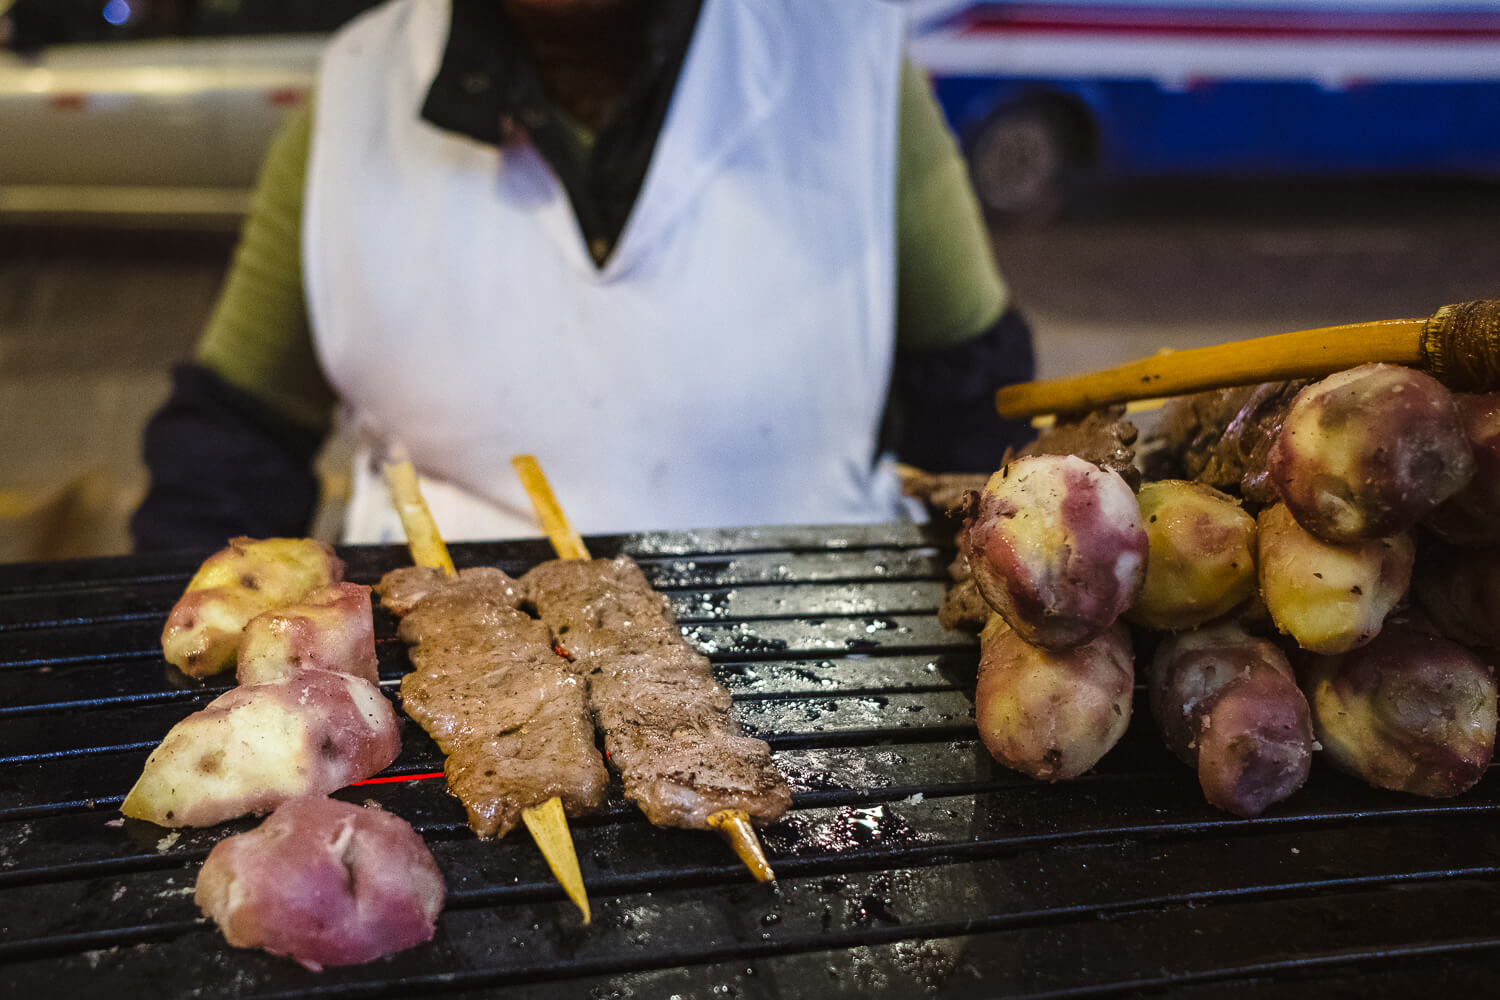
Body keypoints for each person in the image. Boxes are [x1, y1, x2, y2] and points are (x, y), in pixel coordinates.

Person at [130, 0, 1037, 551]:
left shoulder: (850, 66)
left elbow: (977, 412)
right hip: (439, 714)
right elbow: (232, 446)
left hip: (830, 684)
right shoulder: (361, 84)